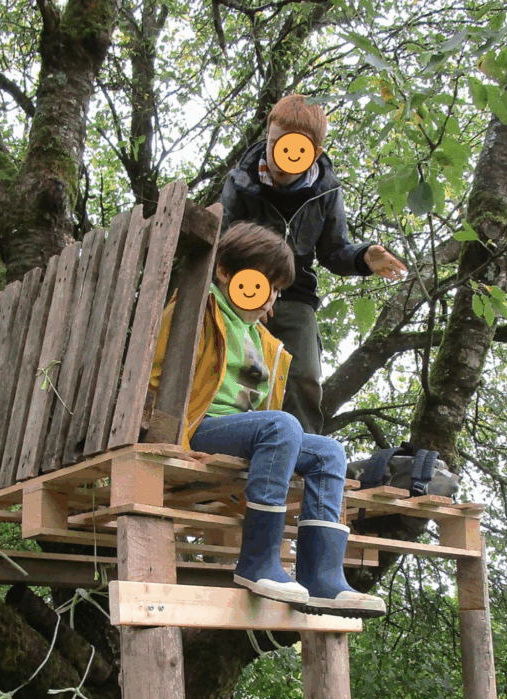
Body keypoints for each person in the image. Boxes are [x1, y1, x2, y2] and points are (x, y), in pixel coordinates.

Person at [148, 221, 385, 618]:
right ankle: (258, 560)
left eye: (275, 289)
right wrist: (165, 426)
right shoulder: (196, 308)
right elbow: (156, 372)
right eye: (261, 284)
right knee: (283, 424)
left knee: (329, 452)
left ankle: (321, 575)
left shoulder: (263, 339)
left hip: (245, 433)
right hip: (198, 424)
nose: (268, 298)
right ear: (225, 272)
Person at [220, 94, 407, 435]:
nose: (281, 156)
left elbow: (334, 251)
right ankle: (228, 436)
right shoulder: (241, 182)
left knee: (303, 374)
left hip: (294, 293)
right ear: (268, 136)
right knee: (238, 370)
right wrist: (251, 290)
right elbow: (227, 244)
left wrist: (363, 257)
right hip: (243, 288)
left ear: (315, 153)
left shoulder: (326, 191)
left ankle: (302, 450)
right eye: (276, 143)